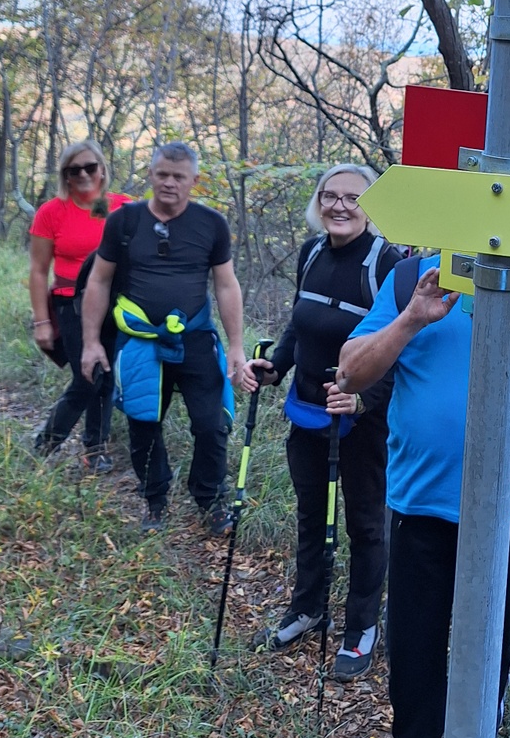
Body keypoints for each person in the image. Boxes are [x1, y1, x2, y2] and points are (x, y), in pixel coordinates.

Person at [335, 259, 510, 738]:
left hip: (504, 506)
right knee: (415, 634)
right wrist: (411, 319)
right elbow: (349, 373)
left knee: (492, 639)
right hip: (421, 501)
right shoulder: (413, 279)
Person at [244, 164, 403, 681]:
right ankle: (307, 609)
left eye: (352, 197)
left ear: (370, 205)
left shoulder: (387, 264)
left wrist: (362, 400)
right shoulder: (311, 253)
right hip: (308, 412)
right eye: (329, 196)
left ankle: (360, 628)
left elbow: (400, 349)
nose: (339, 206)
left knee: (366, 525)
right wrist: (275, 367)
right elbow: (300, 324)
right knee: (312, 516)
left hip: (363, 423)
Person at [80, 141, 246, 535]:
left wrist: (236, 346)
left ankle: (210, 500)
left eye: (179, 177)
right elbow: (99, 281)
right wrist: (91, 342)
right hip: (140, 341)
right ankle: (155, 501)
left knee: (211, 424)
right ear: (150, 174)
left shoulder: (211, 224)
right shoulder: (124, 221)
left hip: (195, 338)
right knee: (143, 423)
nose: (170, 183)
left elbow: (226, 285)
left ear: (194, 180)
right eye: (163, 174)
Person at [27, 139, 130, 472]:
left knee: (106, 374)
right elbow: (38, 270)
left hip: (116, 304)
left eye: (90, 167)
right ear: (65, 175)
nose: (83, 175)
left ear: (102, 169)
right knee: (88, 376)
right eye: (74, 170)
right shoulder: (52, 212)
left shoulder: (121, 207)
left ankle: (95, 448)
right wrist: (41, 322)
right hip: (70, 303)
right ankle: (45, 444)